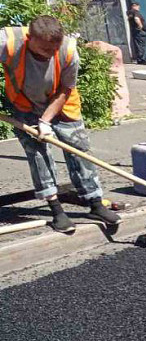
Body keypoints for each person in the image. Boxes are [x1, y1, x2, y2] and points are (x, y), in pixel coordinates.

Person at [0, 16, 121, 233]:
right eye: (45, 49)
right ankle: (56, 210)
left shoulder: (67, 50)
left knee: (79, 150)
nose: (51, 53)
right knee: (38, 155)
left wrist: (45, 121)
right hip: (24, 105)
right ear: (30, 39)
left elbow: (65, 89)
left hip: (62, 103)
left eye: (54, 48)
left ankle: (94, 203)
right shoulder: (7, 42)